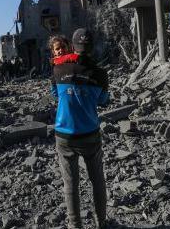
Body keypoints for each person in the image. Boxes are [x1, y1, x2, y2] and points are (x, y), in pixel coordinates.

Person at [51, 28, 109, 229]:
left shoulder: (57, 70)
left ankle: (75, 226)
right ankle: (101, 223)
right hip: (90, 135)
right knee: (97, 181)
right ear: (91, 47)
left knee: (70, 185)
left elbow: (55, 94)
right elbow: (103, 100)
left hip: (64, 136)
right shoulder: (101, 74)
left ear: (72, 46)